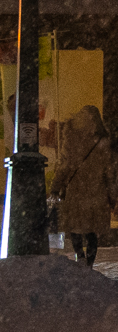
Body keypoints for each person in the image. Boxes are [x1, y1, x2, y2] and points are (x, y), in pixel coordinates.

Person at [52, 105, 113, 267]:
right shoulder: (102, 140)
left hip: (76, 191)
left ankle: (80, 255)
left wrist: (56, 186)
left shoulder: (72, 138)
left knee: (75, 226)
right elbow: (110, 172)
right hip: (96, 192)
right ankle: (89, 263)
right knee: (92, 230)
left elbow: (64, 165)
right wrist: (112, 196)